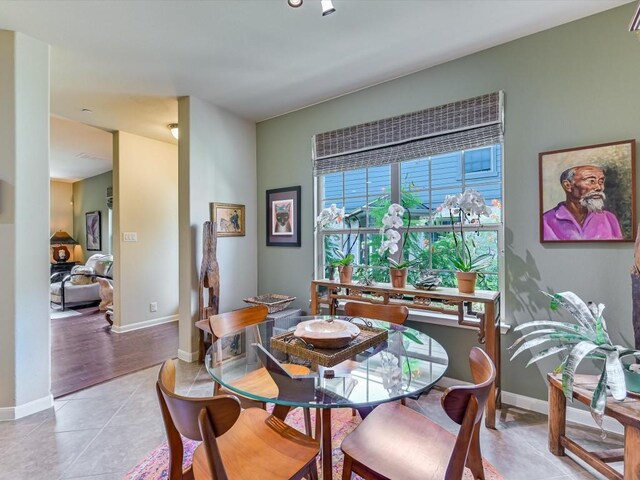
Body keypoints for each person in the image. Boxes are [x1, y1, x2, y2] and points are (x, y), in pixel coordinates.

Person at [542, 164, 623, 240]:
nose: (599, 187)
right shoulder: (545, 220)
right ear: (568, 185)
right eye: (591, 181)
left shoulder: (609, 218)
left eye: (601, 182)